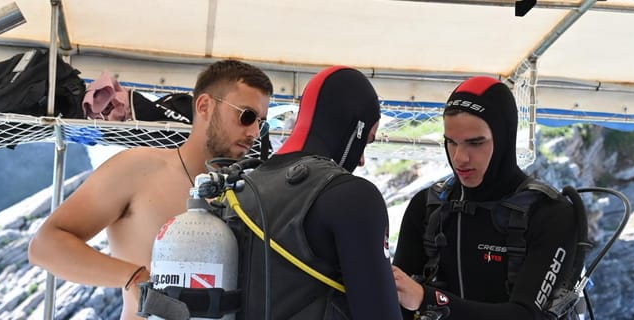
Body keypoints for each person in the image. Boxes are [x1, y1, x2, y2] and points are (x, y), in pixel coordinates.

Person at [27, 59, 274, 320]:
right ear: (204, 106)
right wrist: (134, 277)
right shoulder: (139, 168)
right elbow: (45, 245)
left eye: (261, 122)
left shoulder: (250, 191)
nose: (254, 132)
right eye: (246, 116)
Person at [391, 76, 579, 319]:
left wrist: (428, 299)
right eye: (451, 142)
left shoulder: (550, 214)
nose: (460, 158)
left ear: (504, 139)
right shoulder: (428, 207)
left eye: (475, 143)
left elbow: (527, 315)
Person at [231, 66, 402, 319]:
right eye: (366, 140)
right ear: (355, 129)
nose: (362, 160)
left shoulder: (241, 188)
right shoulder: (352, 196)